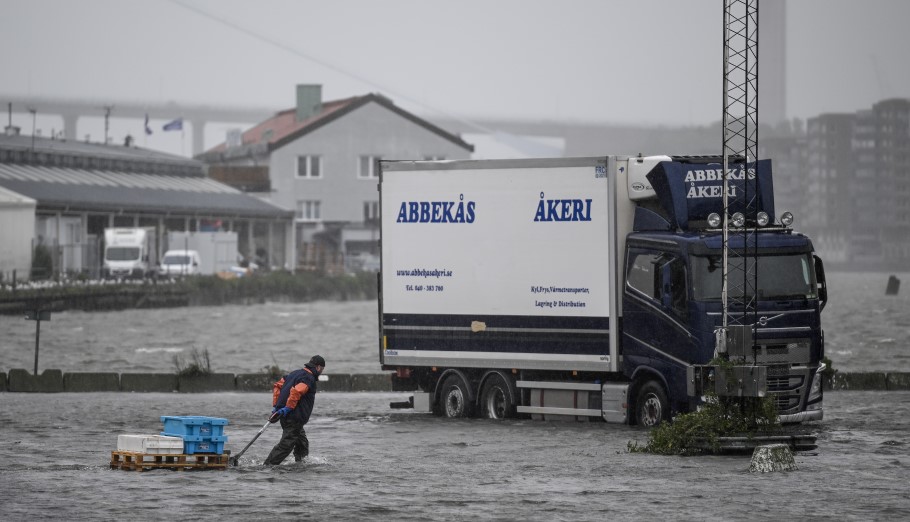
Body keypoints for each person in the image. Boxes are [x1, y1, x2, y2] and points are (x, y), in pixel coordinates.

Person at [263, 355, 325, 465]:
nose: (321, 372)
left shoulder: (293, 374)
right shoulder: (308, 378)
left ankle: (301, 464)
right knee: (286, 445)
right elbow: (297, 391)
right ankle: (268, 466)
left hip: (286, 416)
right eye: (322, 369)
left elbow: (277, 386)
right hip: (294, 417)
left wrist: (276, 407)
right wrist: (287, 408)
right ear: (318, 367)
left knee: (302, 443)